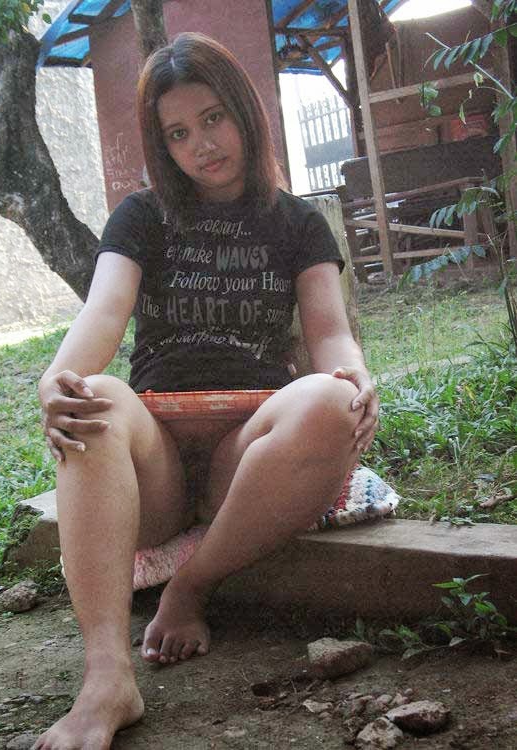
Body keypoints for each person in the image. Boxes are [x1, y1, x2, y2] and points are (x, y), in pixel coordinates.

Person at [34, 32, 378, 750]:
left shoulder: (298, 224)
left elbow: (329, 332)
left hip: (245, 460)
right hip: (153, 460)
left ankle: (192, 583)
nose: (202, 144)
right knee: (94, 397)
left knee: (329, 398)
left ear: (245, 112)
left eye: (213, 118)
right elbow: (104, 310)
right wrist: (57, 378)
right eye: (179, 133)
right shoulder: (142, 216)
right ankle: (107, 678)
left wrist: (353, 373)